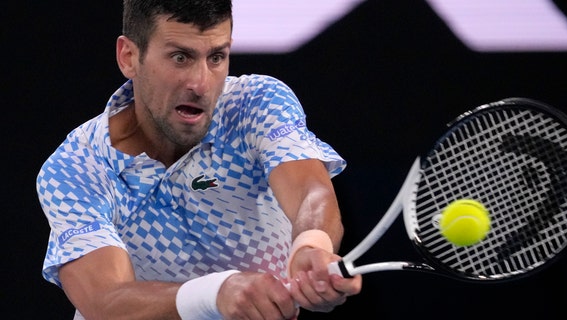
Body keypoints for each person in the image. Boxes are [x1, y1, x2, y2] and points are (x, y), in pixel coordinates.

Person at [35, 0, 362, 319]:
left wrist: (310, 244)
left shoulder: (255, 105)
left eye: (217, 57)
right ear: (129, 57)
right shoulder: (77, 167)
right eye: (180, 57)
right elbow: (106, 301)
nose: (201, 84)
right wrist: (217, 293)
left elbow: (310, 191)